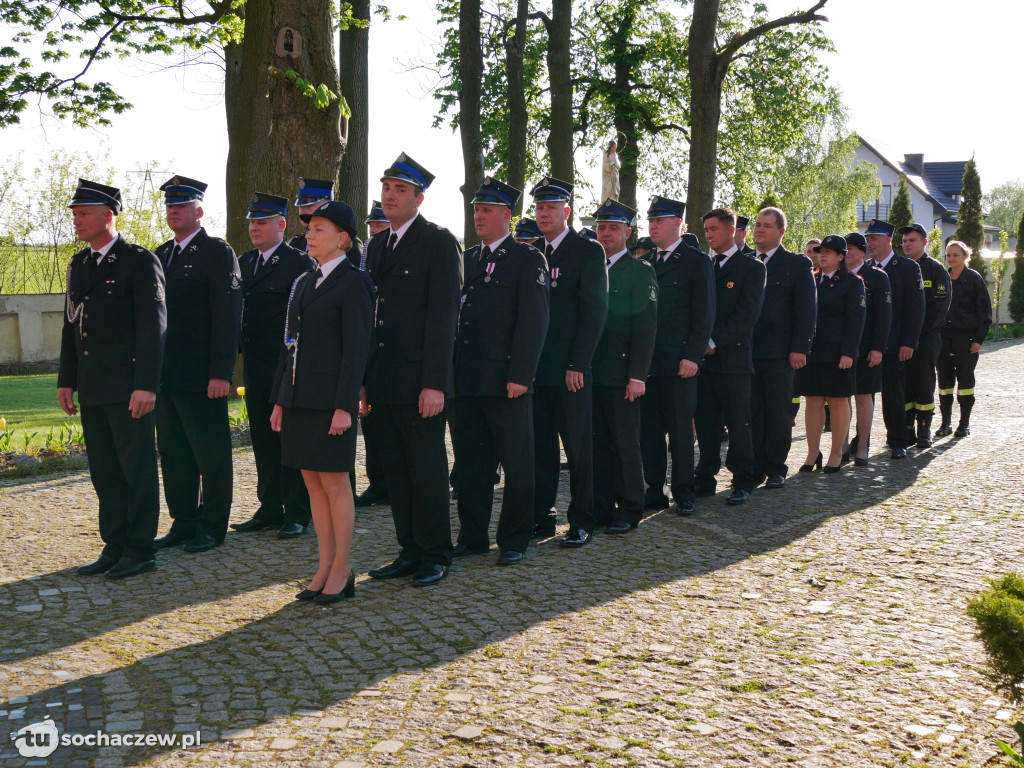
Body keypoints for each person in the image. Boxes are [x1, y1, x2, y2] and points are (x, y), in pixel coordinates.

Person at [362, 153, 462, 587]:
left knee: (426, 469)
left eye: (400, 189)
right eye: (386, 187)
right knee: (396, 472)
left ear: (419, 198)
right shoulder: (378, 245)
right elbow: (370, 318)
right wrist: (364, 381)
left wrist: (434, 383)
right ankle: (409, 549)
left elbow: (444, 318)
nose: (390, 195)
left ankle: (436, 553)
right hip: (384, 381)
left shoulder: (438, 242)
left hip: (420, 382)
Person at [59, 179, 166, 580]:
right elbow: (72, 328)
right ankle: (115, 544)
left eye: (83, 214)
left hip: (128, 387)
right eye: (75, 215)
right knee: (104, 470)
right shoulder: (79, 264)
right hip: (94, 386)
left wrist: (147, 385)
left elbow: (152, 329)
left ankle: (140, 549)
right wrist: (66, 380)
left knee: (135, 468)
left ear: (108, 216)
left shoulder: (138, 261)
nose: (77, 221)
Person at [271, 200, 374, 603]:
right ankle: (324, 564)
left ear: (342, 238)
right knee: (312, 482)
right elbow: (289, 346)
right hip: (300, 399)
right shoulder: (305, 281)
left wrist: (345, 407)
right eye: (309, 229)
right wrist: (281, 400)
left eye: (318, 229)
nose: (309, 235)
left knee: (334, 483)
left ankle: (344, 567)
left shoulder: (354, 282)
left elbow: (356, 351)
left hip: (331, 402)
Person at [451, 177, 549, 565]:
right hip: (467, 379)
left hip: (507, 380)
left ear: (507, 216)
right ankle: (472, 536)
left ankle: (513, 538)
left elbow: (534, 322)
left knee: (517, 463)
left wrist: (522, 375)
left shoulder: (527, 259)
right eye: (477, 209)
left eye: (488, 210)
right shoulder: (467, 259)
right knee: (471, 465)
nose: (480, 215)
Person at [151, 176, 242, 553]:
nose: (174, 212)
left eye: (182, 206)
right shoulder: (160, 254)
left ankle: (212, 526)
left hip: (203, 375)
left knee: (211, 454)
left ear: (199, 210)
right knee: (174, 453)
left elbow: (227, 316)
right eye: (170, 207)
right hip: (166, 375)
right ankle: (184, 520)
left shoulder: (217, 253)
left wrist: (221, 373)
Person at [529, 175, 608, 548]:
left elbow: (594, 313)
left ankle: (582, 518)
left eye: (551, 207)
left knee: (578, 449)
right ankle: (542, 516)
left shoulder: (586, 251)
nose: (544, 214)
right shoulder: (532, 252)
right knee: (540, 447)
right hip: (537, 370)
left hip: (570, 371)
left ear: (567, 211)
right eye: (539, 207)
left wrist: (579, 363)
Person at [231, 193, 314, 539]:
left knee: (290, 440)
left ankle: (297, 511)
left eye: (262, 222)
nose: (255, 228)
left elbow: (303, 319)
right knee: (263, 439)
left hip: (286, 368)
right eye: (252, 222)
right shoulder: (245, 262)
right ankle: (269, 506)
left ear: (281, 225)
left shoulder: (299, 264)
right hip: (255, 365)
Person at [639, 195, 714, 516]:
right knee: (650, 433)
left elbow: (705, 314)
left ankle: (684, 491)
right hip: (649, 364)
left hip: (680, 363)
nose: (653, 226)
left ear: (677, 224)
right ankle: (655, 491)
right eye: (651, 221)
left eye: (659, 220)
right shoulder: (648, 263)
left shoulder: (697, 262)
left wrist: (693, 357)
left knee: (681, 432)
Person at [591, 198, 658, 531]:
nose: (605, 233)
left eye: (613, 228)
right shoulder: (591, 267)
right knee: (598, 444)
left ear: (627, 233)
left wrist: (637, 375)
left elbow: (645, 328)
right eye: (601, 227)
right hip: (591, 373)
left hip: (621, 375)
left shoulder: (638, 271)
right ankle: (601, 506)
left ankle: (631, 507)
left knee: (625, 444)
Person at [694, 208, 765, 504]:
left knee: (738, 423)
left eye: (714, 229)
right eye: (707, 230)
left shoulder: (751, 268)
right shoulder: (705, 266)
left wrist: (712, 340)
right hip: (704, 361)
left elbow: (746, 315)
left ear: (731, 230)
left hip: (733, 360)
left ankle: (742, 480)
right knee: (707, 422)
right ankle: (705, 477)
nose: (709, 235)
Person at [749, 207, 816, 489]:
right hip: (748, 351)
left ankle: (776, 466)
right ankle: (754, 466)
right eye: (757, 225)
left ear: (781, 231)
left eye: (766, 226)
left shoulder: (796, 264)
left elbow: (806, 310)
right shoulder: (746, 262)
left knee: (778, 412)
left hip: (780, 353)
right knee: (752, 412)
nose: (759, 230)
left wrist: (800, 347)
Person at [800, 235, 865, 473]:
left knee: (837, 402)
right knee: (813, 402)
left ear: (841, 256)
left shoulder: (852, 282)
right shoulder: (812, 280)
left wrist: (849, 352)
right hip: (813, 352)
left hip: (839, 354)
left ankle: (837, 452)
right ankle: (812, 452)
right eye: (820, 251)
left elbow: (856, 322)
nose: (822, 255)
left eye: (828, 251)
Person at [864, 219, 925, 459]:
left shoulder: (908, 267)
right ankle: (862, 441)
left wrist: (909, 342)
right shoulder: (866, 268)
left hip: (895, 344)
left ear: (888, 240)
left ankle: (898, 440)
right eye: (868, 239)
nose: (870, 243)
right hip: (868, 344)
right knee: (863, 396)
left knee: (893, 395)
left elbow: (916, 309)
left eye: (875, 238)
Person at [353, 199, 392, 508]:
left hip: (390, 351)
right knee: (371, 425)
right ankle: (378, 482)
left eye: (379, 224)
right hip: (368, 350)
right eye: (372, 225)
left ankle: (393, 483)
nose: (375, 229)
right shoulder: (366, 255)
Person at [899, 223, 951, 448]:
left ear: (924, 242)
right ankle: (906, 429)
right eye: (904, 241)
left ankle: (924, 430)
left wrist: (916, 332)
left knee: (924, 384)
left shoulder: (935, 270)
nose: (907, 244)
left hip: (926, 338)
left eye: (912, 240)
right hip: (901, 340)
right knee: (904, 386)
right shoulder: (899, 267)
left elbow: (939, 308)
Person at [843, 232, 892, 466]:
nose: (847, 253)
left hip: (867, 348)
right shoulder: (836, 275)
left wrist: (878, 348)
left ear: (862, 252)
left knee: (863, 396)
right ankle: (841, 446)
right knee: (840, 398)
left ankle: (862, 447)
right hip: (841, 348)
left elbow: (884, 316)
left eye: (851, 248)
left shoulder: (877, 277)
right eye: (844, 248)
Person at [936, 240, 992, 438]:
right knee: (944, 382)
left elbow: (984, 312)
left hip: (966, 338)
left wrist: (979, 339)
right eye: (948, 255)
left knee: (965, 381)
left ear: (966, 256)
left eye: (956, 255)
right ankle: (945, 423)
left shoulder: (974, 279)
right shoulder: (942, 277)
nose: (951, 258)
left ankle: (964, 424)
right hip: (943, 338)